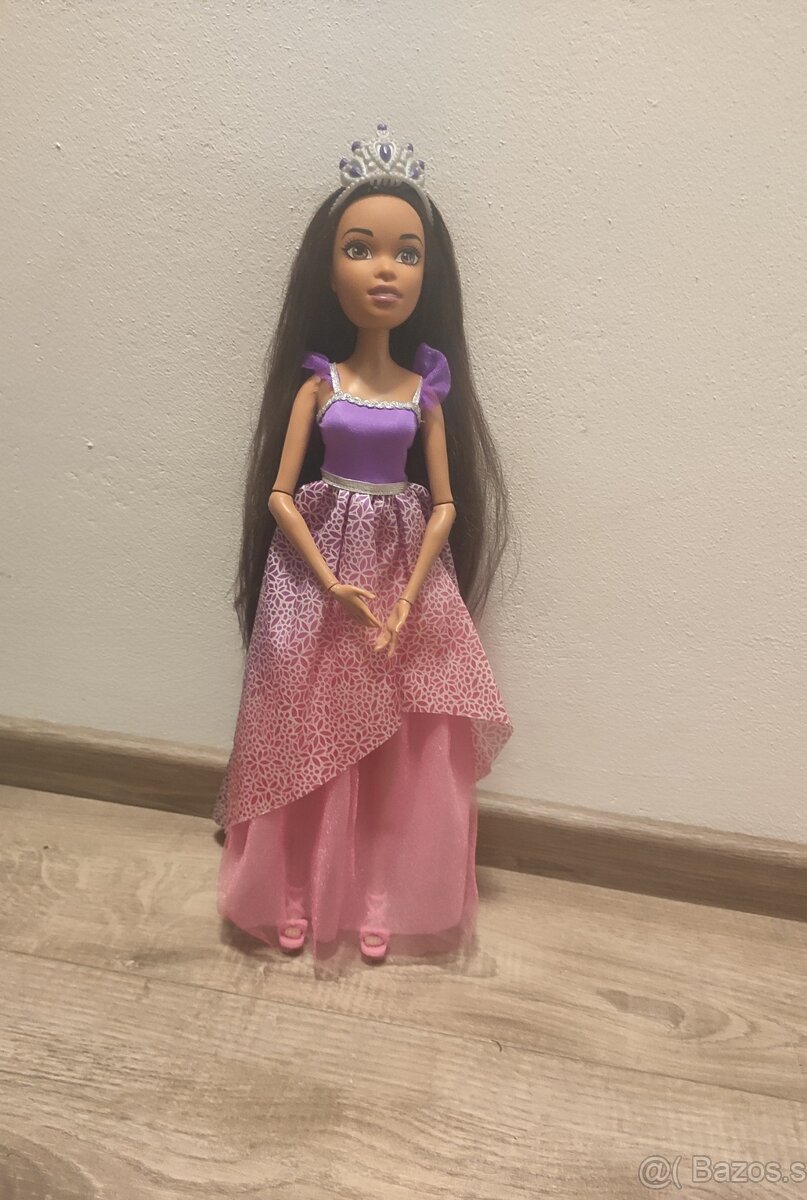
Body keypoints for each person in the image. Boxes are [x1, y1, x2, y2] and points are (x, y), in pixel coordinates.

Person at [214, 122, 514, 970]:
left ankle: (382, 890)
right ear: (329, 268)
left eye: (406, 253)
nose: (385, 269)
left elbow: (446, 504)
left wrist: (411, 594)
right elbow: (281, 494)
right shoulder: (319, 384)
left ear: (428, 274)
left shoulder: (427, 394)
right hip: (317, 572)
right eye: (361, 248)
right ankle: (296, 887)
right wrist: (328, 581)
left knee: (404, 734)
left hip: (400, 563)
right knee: (303, 715)